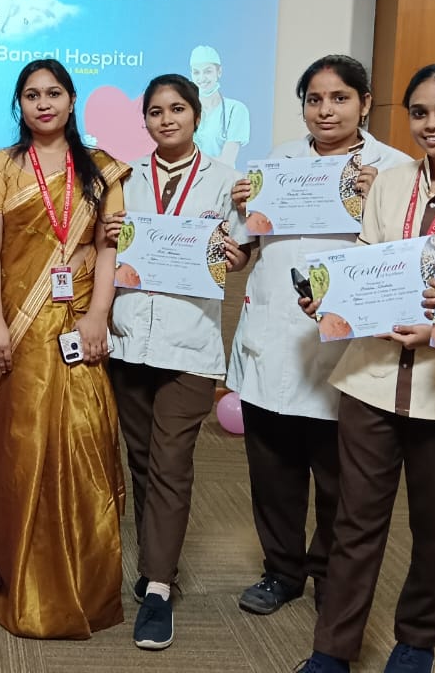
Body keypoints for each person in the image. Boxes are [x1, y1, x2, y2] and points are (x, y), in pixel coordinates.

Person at [294, 64, 435, 673]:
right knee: (354, 522)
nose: (431, 124)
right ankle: (333, 648)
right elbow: (365, 263)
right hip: (371, 379)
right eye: (419, 113)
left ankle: (416, 642)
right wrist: (327, 298)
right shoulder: (387, 185)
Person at [227, 55, 410, 616]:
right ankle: (281, 571)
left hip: (348, 348)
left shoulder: (395, 171)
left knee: (340, 477)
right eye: (314, 99)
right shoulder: (274, 164)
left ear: (364, 103)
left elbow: (410, 259)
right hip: (274, 336)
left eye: (340, 98)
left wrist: (384, 197)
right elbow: (237, 257)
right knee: (273, 470)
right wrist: (237, 214)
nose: (326, 110)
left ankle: (332, 571)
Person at [0, 58, 130, 638]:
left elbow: (108, 249)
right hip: (16, 329)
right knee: (20, 449)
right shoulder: (1, 167)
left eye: (54, 93)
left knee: (86, 441)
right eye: (32, 94)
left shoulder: (102, 170)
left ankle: (86, 583)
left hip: (78, 326)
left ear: (71, 99)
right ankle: (24, 578)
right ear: (19, 104)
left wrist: (97, 317)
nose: (44, 103)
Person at [102, 74, 251, 650]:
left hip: (189, 347)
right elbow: (106, 247)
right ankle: (155, 563)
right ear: (145, 121)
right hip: (130, 340)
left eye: (178, 109)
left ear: (196, 116)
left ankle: (159, 587)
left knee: (170, 462)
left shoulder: (227, 181)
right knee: (141, 461)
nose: (167, 120)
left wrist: (234, 254)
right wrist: (108, 230)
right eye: (156, 111)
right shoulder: (124, 179)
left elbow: (236, 254)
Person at [189, 44, 250, 167]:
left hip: (222, 183)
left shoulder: (235, 110)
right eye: (196, 72)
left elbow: (227, 161)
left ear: (219, 72)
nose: (201, 78)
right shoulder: (184, 111)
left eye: (207, 71)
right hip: (187, 184)